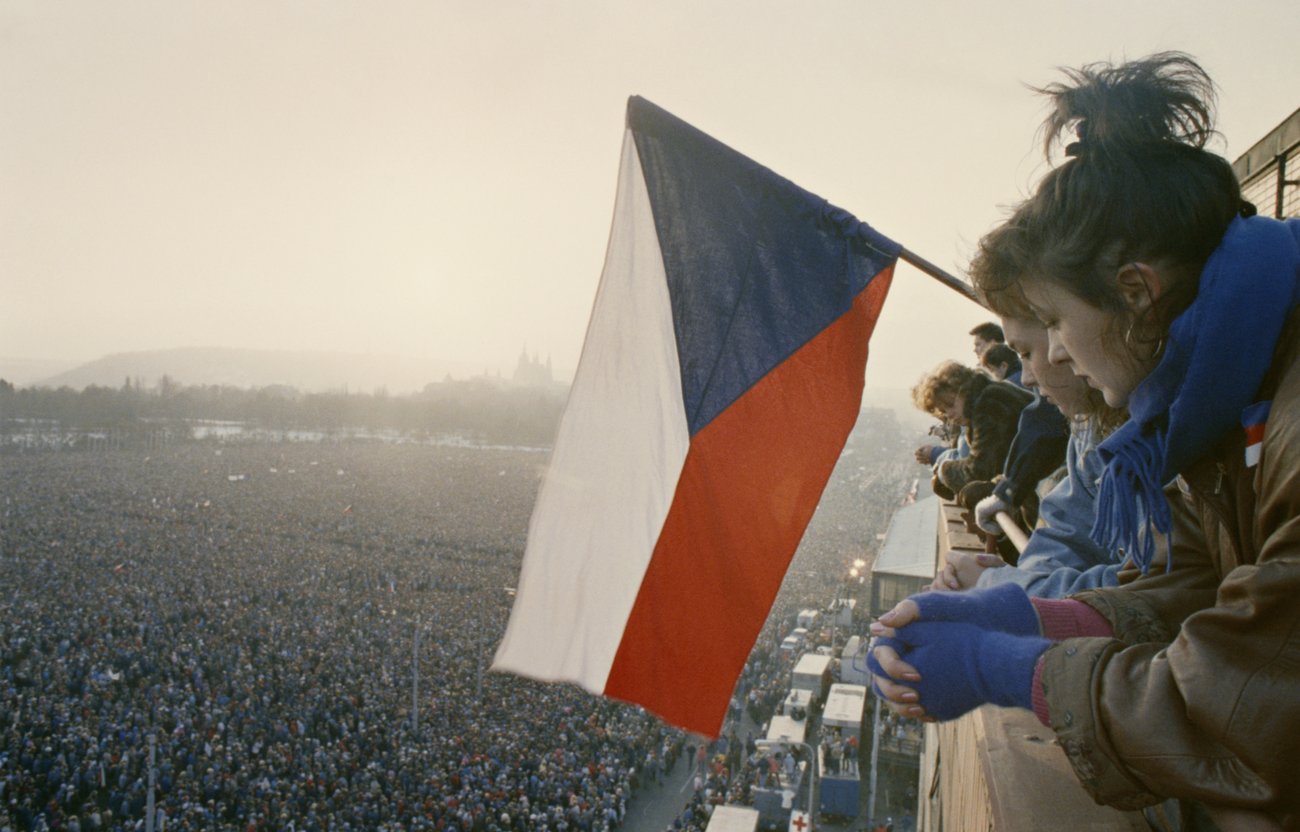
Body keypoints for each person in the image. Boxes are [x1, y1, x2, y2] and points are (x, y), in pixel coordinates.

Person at [870, 53, 1300, 827]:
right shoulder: (1223, 407)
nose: (1057, 360)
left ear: (1136, 292)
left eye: (1060, 323)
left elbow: (1249, 708)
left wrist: (1018, 671)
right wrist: (1030, 620)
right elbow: (1196, 593)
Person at [910, 360, 1031, 501]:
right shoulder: (988, 397)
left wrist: (943, 470)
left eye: (950, 404)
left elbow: (977, 472)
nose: (949, 415)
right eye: (944, 411)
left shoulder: (990, 403)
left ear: (964, 389)